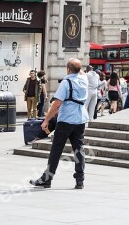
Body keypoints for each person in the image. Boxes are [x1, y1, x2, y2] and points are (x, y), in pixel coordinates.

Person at [29, 58, 89, 189]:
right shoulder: (84, 80)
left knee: (56, 150)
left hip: (66, 120)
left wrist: (46, 120)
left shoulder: (66, 82)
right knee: (79, 149)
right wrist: (76, 67)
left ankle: (47, 179)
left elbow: (56, 104)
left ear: (67, 68)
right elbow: (81, 72)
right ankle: (80, 180)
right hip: (80, 120)